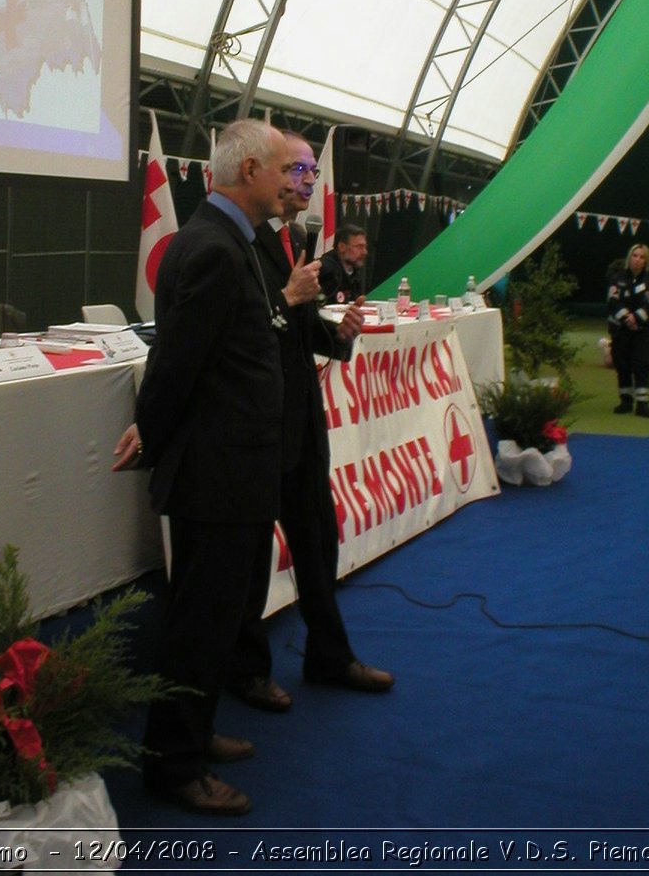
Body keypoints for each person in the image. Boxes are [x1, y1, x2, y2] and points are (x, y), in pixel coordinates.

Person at [111, 119, 302, 817]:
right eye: (284, 169)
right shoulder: (216, 249)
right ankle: (173, 765)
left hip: (235, 470)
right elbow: (176, 366)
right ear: (248, 168)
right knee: (198, 626)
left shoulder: (231, 243)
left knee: (217, 622)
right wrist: (151, 436)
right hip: (215, 475)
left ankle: (193, 733)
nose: (292, 183)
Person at [229, 134, 394, 713]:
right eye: (295, 170)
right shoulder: (233, 240)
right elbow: (243, 328)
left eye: (310, 171)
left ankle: (329, 655)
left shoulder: (294, 237)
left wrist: (334, 335)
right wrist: (287, 297)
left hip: (301, 419)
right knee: (250, 558)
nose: (304, 182)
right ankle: (247, 671)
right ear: (258, 172)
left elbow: (292, 329)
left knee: (318, 542)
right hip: (257, 425)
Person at [607, 243, 649, 418]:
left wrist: (636, 318)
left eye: (641, 257)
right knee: (622, 365)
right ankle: (626, 400)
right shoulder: (617, 279)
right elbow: (613, 301)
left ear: (646, 261)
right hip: (621, 331)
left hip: (642, 332)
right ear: (629, 257)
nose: (637, 260)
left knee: (641, 365)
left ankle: (643, 403)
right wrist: (626, 318)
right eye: (635, 256)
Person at [318, 222, 368, 304]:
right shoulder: (325, 270)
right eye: (359, 247)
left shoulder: (354, 272)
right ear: (341, 247)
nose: (365, 252)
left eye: (365, 246)